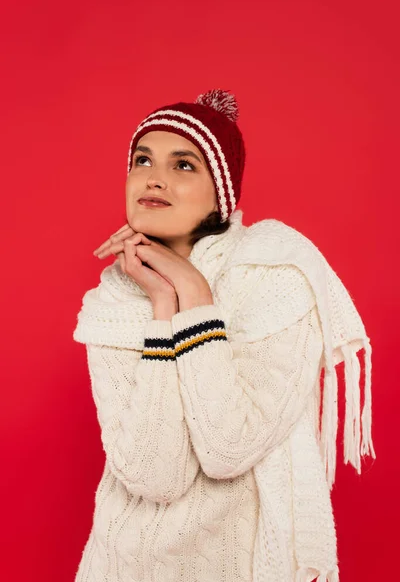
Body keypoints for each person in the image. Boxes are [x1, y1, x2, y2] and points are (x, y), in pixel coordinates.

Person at [73, 89, 376, 582]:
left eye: (184, 165)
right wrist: (162, 305)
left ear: (223, 194)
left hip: (244, 563)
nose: (153, 177)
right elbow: (156, 476)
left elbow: (227, 449)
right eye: (142, 159)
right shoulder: (113, 301)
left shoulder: (275, 273)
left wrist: (193, 292)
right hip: (125, 563)